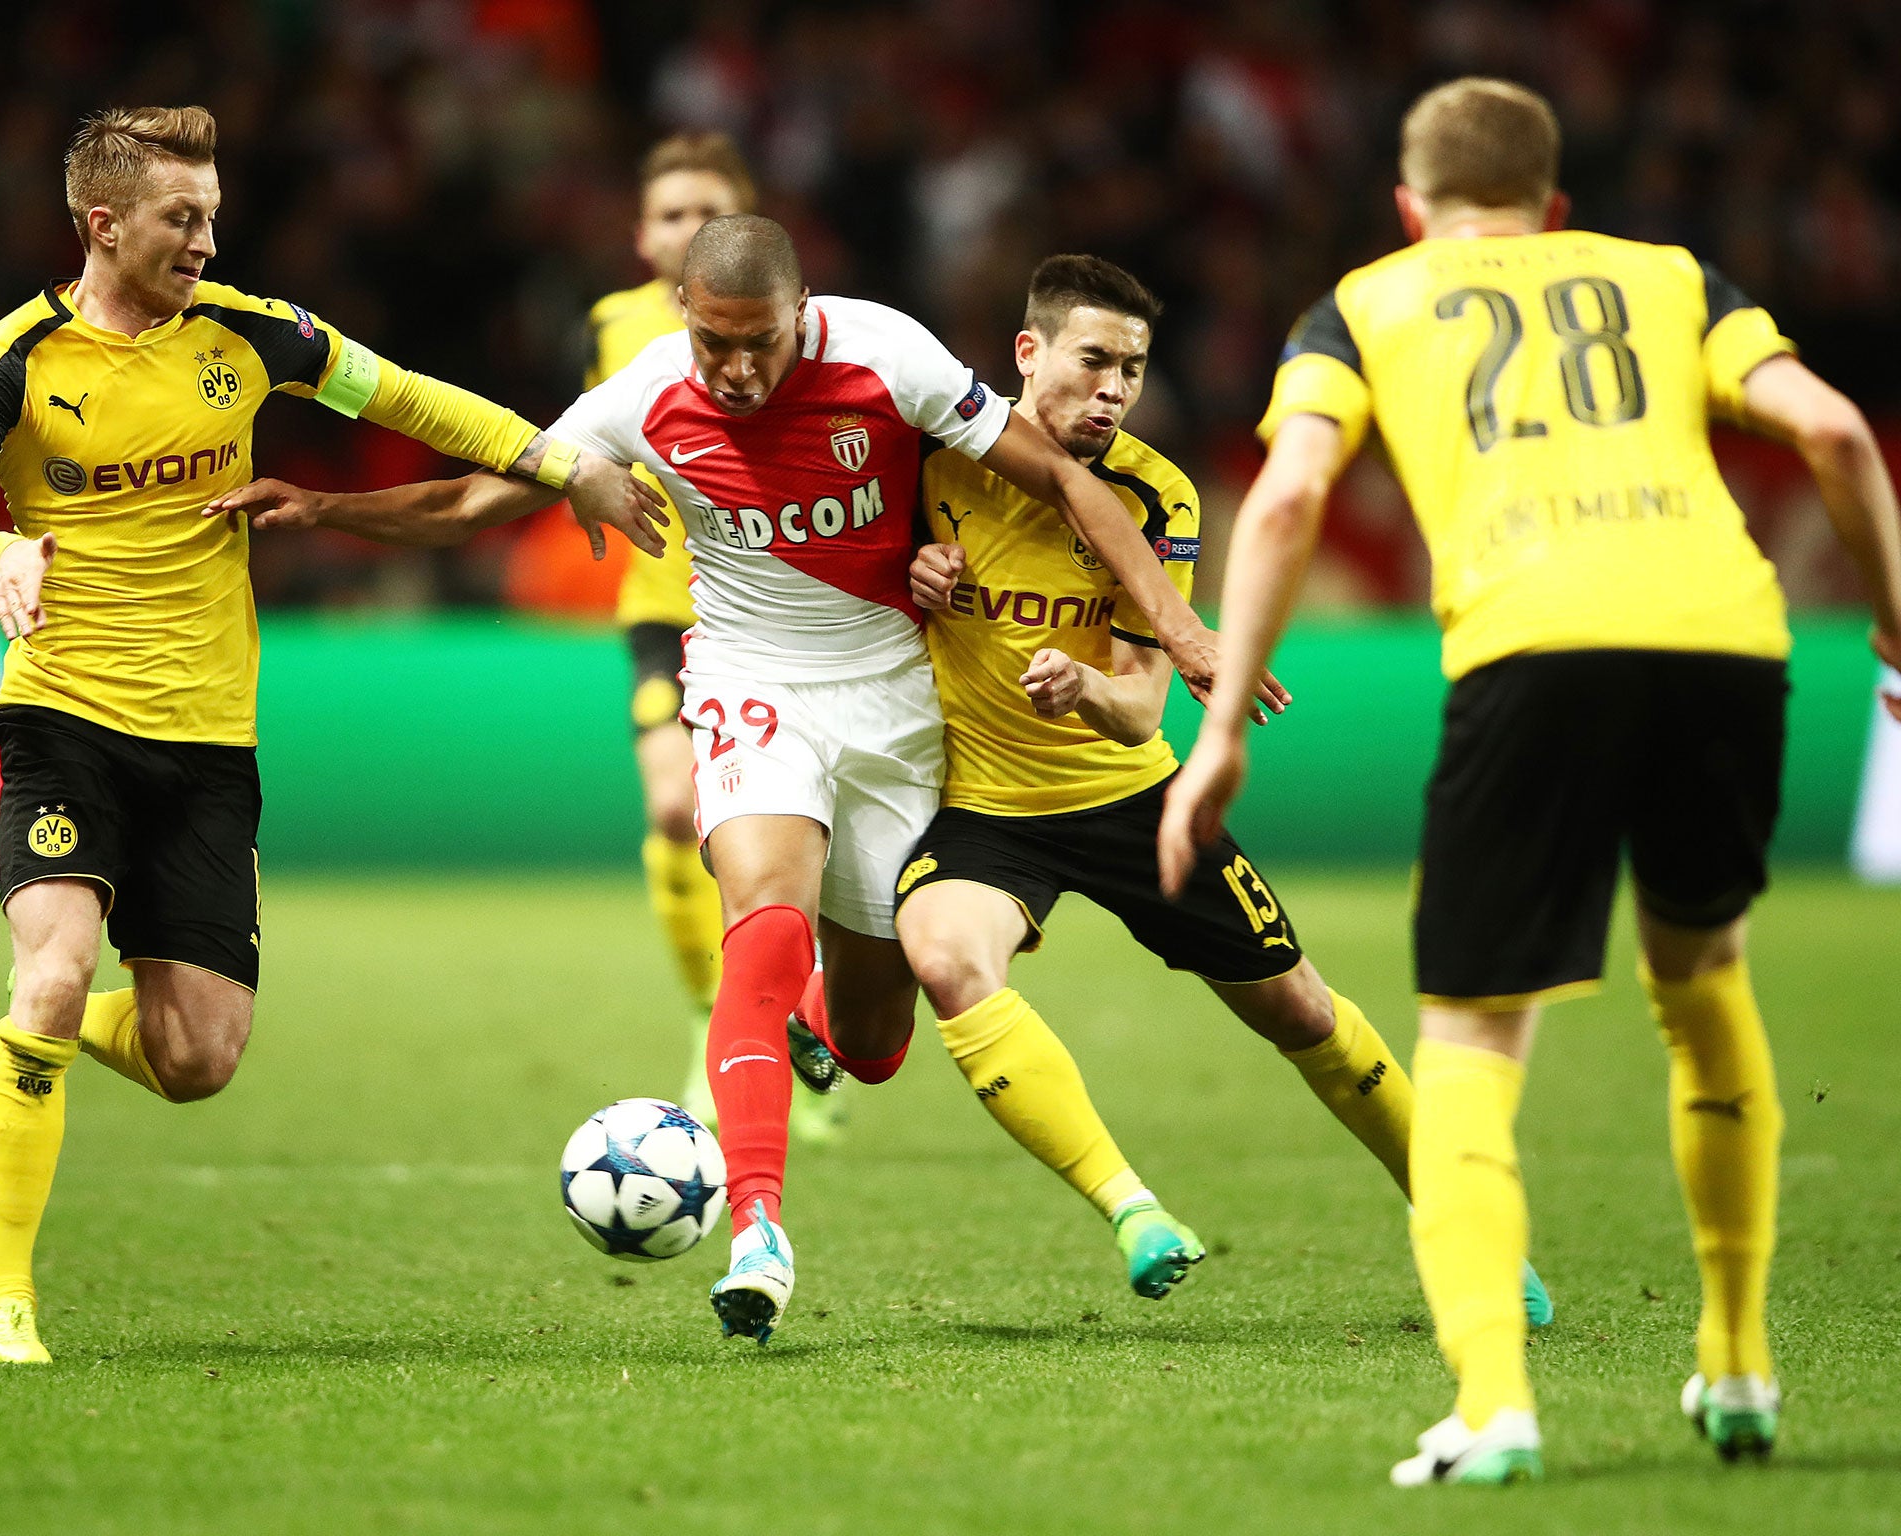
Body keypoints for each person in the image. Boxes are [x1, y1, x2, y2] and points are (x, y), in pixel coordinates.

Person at [210, 213, 1221, 1345]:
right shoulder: (641, 396)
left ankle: (810, 1033)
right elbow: (473, 500)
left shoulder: (889, 356)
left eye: (763, 343)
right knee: (765, 913)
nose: (737, 372)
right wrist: (319, 509)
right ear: (683, 315)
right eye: (715, 344)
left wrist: (1175, 628)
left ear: (803, 314)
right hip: (752, 682)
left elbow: (1071, 488)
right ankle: (759, 1232)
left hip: (895, 697)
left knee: (877, 1045)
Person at [1159, 78, 1901, 1484]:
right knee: (1704, 985)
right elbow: (1840, 434)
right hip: (1725, 645)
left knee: (1473, 1040)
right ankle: (1739, 1367)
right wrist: (1898, 623)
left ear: (1408, 206)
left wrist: (1222, 728)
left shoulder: (1368, 303)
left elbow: (1294, 490)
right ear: (1558, 206)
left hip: (1533, 645)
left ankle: (1495, 1403)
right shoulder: (1676, 279)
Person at [0, 105, 643, 1366]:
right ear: (103, 223)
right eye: (182, 218)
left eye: (214, 215)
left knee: (199, 1059)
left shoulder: (253, 334)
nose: (206, 238)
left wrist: (564, 468)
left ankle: (39, 1031)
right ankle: (4, 1299)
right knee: (59, 972)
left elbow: (414, 399)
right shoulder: (11, 360)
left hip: (209, 740)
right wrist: (1, 548)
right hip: (64, 714)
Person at [901, 254, 1551, 1322]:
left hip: (1133, 802)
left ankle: (1474, 1235)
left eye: (1132, 369)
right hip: (983, 811)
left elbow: (1143, 707)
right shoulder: (928, 458)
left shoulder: (1154, 493)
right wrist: (910, 572)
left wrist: (1082, 686)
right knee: (946, 962)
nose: (1113, 389)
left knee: (1298, 1009)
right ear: (1027, 353)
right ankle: (1133, 1211)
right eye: (1092, 361)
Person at [573, 134, 845, 1141]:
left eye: (706, 212)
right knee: (667, 808)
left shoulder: (779, 332)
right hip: (664, 609)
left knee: (787, 849)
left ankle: (787, 1030)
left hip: (777, 610)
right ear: (643, 235)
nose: (686, 227)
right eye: (670, 213)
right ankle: (712, 1019)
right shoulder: (609, 330)